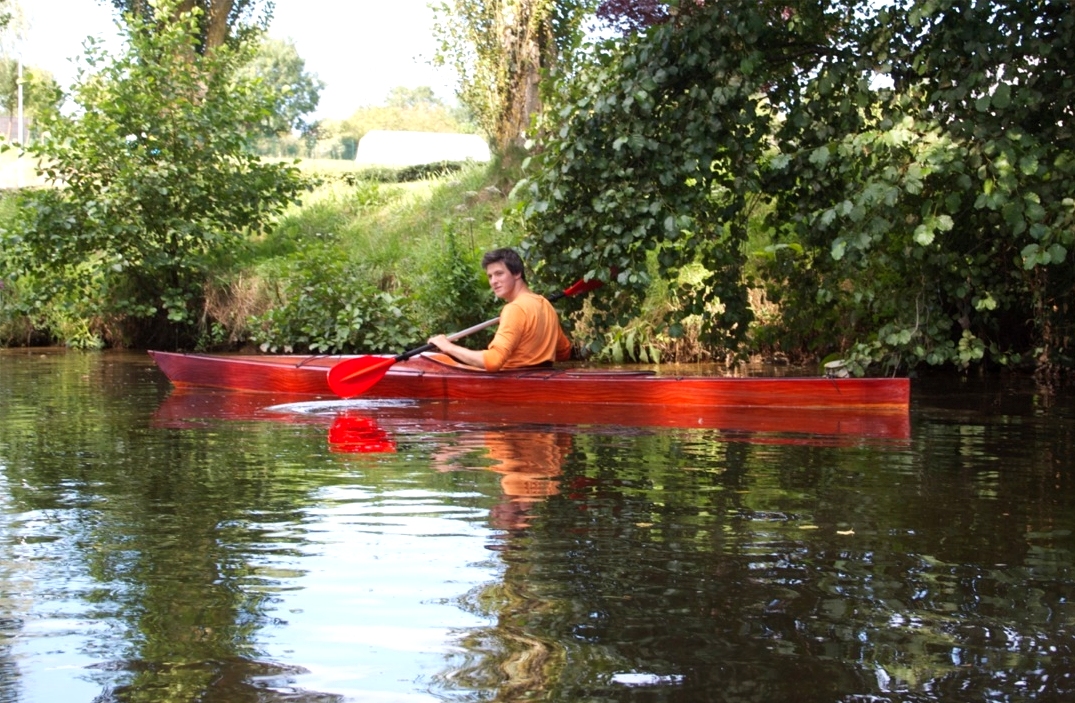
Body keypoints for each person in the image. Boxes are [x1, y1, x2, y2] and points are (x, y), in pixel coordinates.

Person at [427, 248, 572, 371]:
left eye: (499, 273)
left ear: (517, 273)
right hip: (539, 377)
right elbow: (564, 352)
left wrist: (448, 347)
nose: (493, 281)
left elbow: (493, 361)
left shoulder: (514, 309)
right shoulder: (544, 304)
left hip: (514, 384)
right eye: (490, 276)